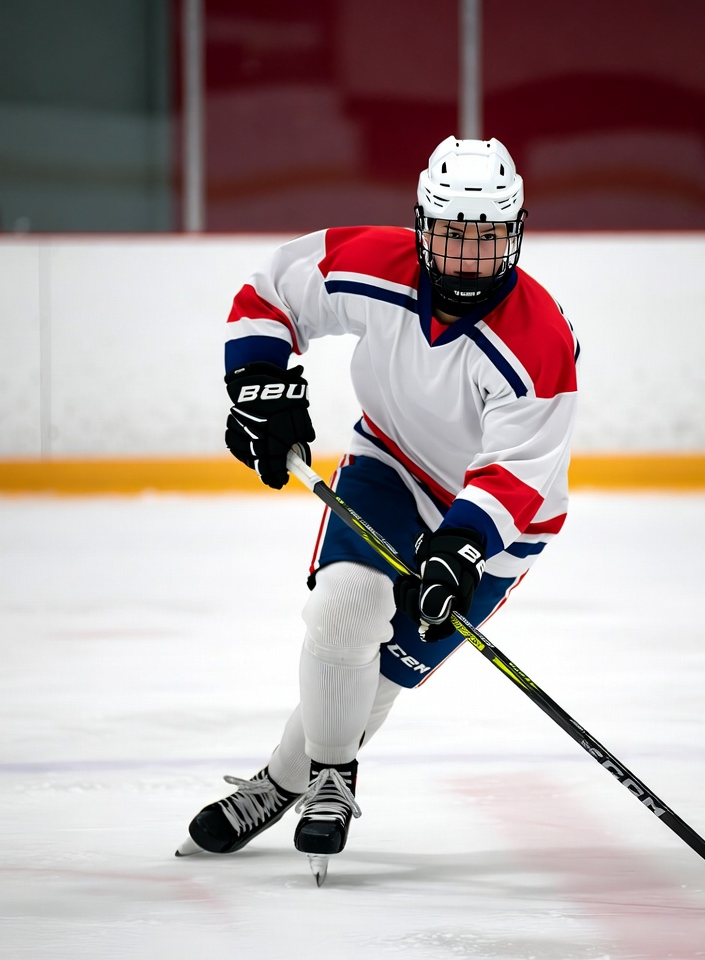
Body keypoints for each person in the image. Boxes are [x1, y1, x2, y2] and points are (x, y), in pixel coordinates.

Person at [176, 136, 580, 882]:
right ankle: (333, 775)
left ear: (515, 235)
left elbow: (518, 473)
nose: (466, 261)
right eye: (453, 239)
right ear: (424, 227)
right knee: (343, 611)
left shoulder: (540, 341)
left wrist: (460, 546)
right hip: (390, 463)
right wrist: (259, 381)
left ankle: (282, 781)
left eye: (486, 242)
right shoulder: (374, 262)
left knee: (381, 674)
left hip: (496, 522)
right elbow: (271, 291)